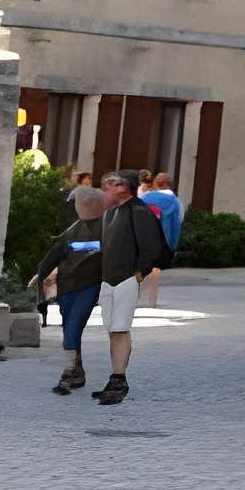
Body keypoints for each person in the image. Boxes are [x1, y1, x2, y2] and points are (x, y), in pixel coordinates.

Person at [90, 169, 172, 405]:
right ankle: (115, 377)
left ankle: (119, 380)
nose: (105, 189)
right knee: (113, 330)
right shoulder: (111, 213)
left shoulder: (139, 211)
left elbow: (150, 249)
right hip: (109, 279)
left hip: (126, 278)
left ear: (123, 187)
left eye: (111, 184)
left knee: (120, 329)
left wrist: (137, 275)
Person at [26, 185, 108, 394]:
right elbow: (57, 251)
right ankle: (77, 371)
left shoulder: (107, 228)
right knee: (69, 326)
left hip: (89, 285)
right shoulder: (74, 228)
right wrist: (41, 273)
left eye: (80, 203)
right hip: (67, 285)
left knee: (73, 326)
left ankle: (69, 370)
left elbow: (104, 250)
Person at [138, 169, 185, 298]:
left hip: (143, 239)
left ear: (155, 184)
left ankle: (135, 284)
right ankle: (151, 297)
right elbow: (180, 219)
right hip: (165, 240)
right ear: (170, 185)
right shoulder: (175, 202)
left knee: (140, 267)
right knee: (156, 268)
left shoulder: (144, 198)